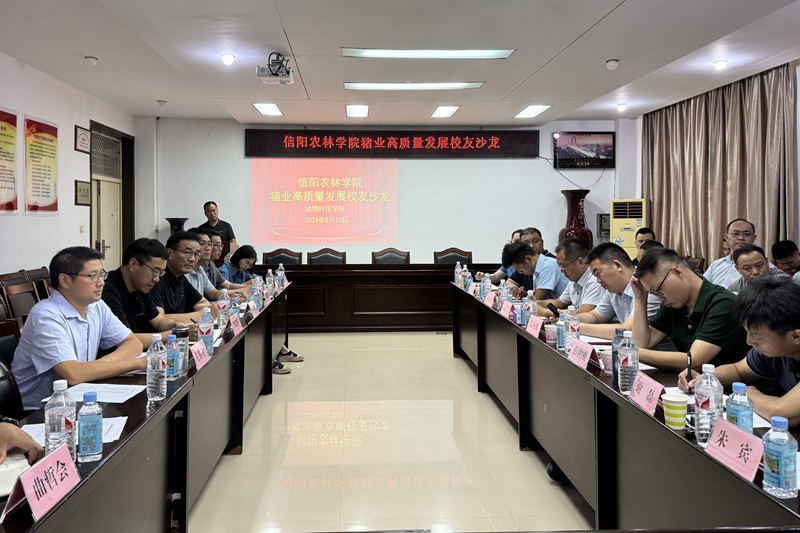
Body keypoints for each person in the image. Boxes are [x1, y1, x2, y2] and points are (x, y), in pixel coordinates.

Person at [12, 247, 144, 410]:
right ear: (65, 280)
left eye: (102, 274)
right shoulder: (46, 316)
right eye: (92, 276)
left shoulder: (96, 306)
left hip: (78, 396)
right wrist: (136, 364)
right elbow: (73, 374)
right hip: (37, 411)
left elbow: (133, 343)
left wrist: (98, 366)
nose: (101, 282)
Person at [678, 277, 800, 427]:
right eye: (748, 332)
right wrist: (704, 380)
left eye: (757, 336)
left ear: (795, 336)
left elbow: (782, 413)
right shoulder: (774, 348)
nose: (749, 341)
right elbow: (738, 371)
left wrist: (748, 393)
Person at [631, 247, 749, 371]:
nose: (661, 299)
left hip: (727, 382)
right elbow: (643, 343)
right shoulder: (674, 304)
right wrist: (640, 297)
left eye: (658, 291)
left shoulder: (723, 303)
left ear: (677, 272)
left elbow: (694, 360)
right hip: (692, 380)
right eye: (654, 294)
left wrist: (631, 351)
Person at [102, 238, 184, 345]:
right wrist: (174, 335)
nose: (157, 279)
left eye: (161, 273)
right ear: (133, 264)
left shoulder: (141, 287)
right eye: (155, 271)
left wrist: (177, 326)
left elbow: (158, 321)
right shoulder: (107, 292)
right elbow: (126, 339)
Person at [576, 243, 661, 339]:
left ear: (618, 265)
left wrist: (579, 327)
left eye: (598, 273)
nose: (598, 281)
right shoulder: (612, 289)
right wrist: (571, 318)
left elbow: (628, 330)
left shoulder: (645, 285)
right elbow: (595, 316)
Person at [149, 231, 216, 323]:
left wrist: (202, 310)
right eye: (188, 253)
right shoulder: (155, 279)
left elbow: (202, 302)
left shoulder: (181, 278)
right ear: (169, 253)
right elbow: (159, 319)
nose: (192, 259)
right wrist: (202, 314)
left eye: (196, 254)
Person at [536, 238, 606, 317]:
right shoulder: (573, 279)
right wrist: (534, 303)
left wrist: (544, 312)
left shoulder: (595, 280)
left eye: (563, 266)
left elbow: (585, 311)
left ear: (581, 262)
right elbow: (559, 302)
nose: (562, 271)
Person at [703, 218, 780, 288]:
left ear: (754, 238)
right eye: (735, 234)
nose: (741, 238)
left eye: (746, 234)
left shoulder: (765, 268)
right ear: (726, 237)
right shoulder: (716, 264)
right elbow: (702, 287)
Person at [501, 240, 568, 300]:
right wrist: (525, 294)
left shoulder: (548, 266)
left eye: (520, 269)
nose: (520, 272)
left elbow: (537, 300)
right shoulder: (537, 268)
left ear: (528, 259)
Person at [197, 229, 253, 297]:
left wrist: (249, 286)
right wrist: (246, 289)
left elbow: (228, 285)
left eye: (221, 245)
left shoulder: (212, 265)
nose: (221, 249)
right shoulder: (199, 268)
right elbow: (215, 293)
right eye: (217, 245)